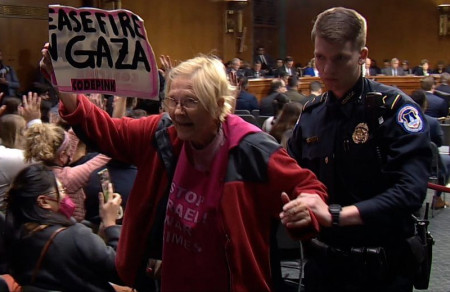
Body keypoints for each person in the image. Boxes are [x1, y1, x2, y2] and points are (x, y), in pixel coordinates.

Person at [40, 48, 328, 291]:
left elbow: (309, 190)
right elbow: (105, 131)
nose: (177, 111)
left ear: (218, 105)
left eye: (190, 102)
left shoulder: (253, 149)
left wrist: (306, 210)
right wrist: (63, 85)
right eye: (172, 101)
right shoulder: (162, 132)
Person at [287, 7, 431, 291]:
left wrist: (338, 215)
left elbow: (410, 191)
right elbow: (293, 174)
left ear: (363, 56)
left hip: (379, 270)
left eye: (340, 58)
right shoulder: (311, 114)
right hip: (322, 267)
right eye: (320, 58)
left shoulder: (394, 111)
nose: (326, 70)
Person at [4, 163, 124, 291]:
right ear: (44, 201)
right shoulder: (75, 236)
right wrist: (110, 224)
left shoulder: (17, 236)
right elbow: (121, 271)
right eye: (62, 191)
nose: (66, 197)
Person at [24, 122, 110, 221]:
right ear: (62, 155)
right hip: (69, 226)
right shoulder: (67, 178)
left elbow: (71, 137)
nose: (71, 151)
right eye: (68, 150)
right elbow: (105, 157)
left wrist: (84, 116)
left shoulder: (34, 168)